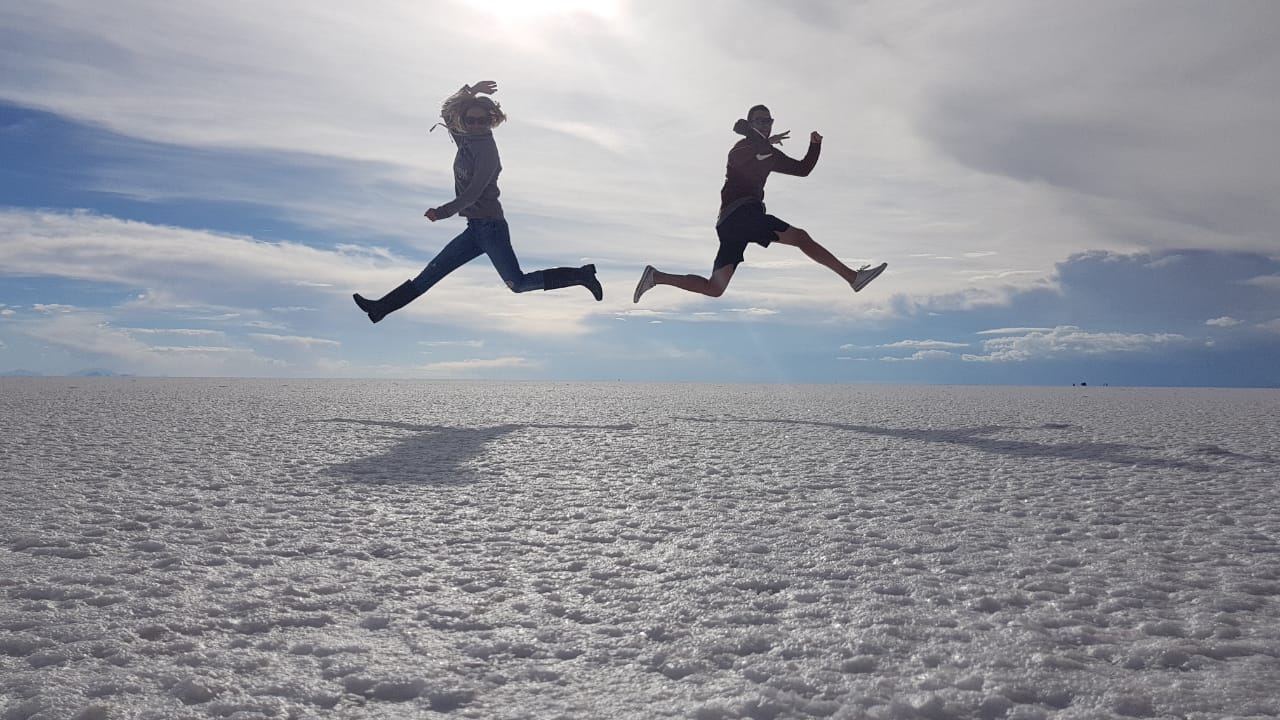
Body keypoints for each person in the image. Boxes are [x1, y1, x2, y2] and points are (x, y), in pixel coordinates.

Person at [354, 80, 602, 324]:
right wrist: (470, 91)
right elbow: (446, 111)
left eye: (481, 121)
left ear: (491, 120)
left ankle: (581, 275)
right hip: (474, 229)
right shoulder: (465, 138)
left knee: (518, 284)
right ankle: (381, 308)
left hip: (491, 227)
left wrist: (443, 212)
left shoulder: (487, 151)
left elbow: (473, 193)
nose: (475, 125)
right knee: (432, 273)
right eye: (470, 120)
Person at [632, 104, 886, 303]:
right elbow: (739, 126)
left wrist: (815, 145)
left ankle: (656, 277)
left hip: (731, 225)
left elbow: (802, 169)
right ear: (753, 123)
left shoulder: (769, 154)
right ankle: (853, 278)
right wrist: (760, 139)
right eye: (760, 121)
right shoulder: (741, 149)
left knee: (715, 288)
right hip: (740, 214)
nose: (765, 124)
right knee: (800, 237)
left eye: (769, 120)